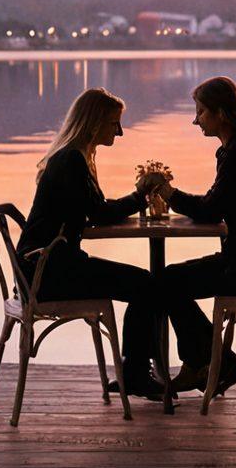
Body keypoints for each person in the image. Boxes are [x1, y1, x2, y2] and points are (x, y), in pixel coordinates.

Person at [144, 76, 236, 396]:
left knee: (168, 281)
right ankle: (205, 364)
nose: (195, 119)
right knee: (169, 279)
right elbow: (216, 205)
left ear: (220, 114)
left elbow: (211, 211)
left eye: (200, 112)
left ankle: (212, 364)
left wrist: (168, 192)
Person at [17, 87, 165, 399]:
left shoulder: (70, 157)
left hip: (42, 269)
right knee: (147, 285)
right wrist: (140, 195)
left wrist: (132, 200)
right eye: (115, 124)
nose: (120, 132)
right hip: (50, 274)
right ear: (94, 123)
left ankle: (135, 370)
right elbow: (100, 213)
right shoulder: (72, 160)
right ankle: (136, 373)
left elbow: (94, 211)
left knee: (145, 283)